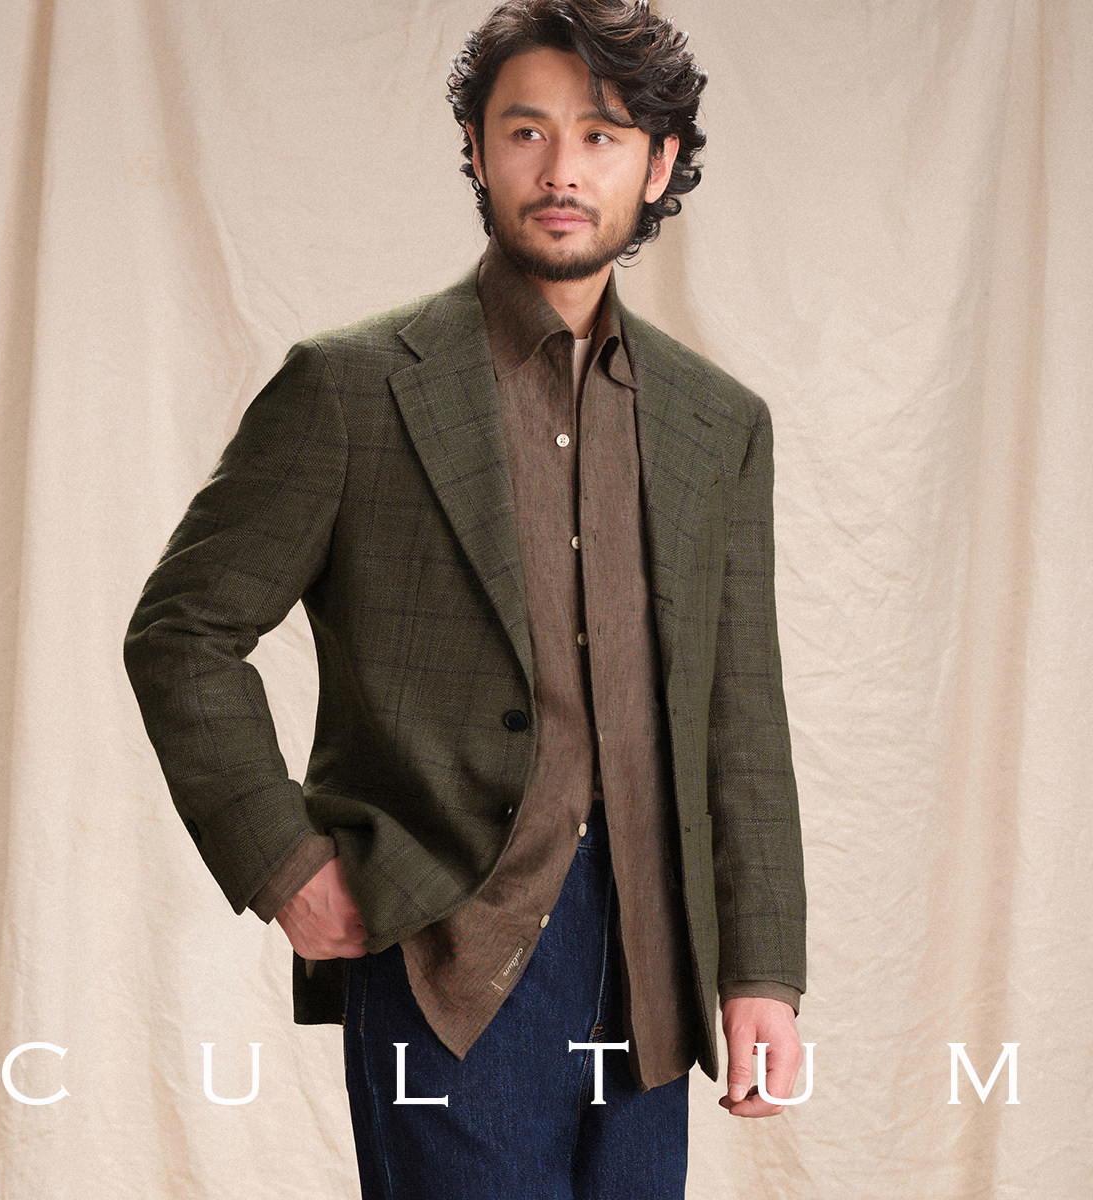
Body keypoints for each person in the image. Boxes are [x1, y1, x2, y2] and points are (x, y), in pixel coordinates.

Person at [125, 1, 807, 1196]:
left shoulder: (718, 423)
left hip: (653, 972)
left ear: (656, 166)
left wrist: (762, 973)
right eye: (526, 131)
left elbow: (739, 716)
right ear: (479, 155)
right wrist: (282, 862)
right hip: (447, 955)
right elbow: (183, 631)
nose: (561, 170)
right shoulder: (352, 389)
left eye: (600, 136)